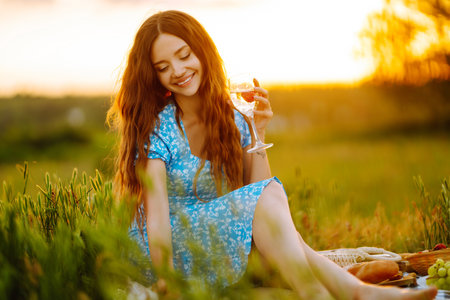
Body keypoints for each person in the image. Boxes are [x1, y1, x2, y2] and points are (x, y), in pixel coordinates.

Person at [107, 10, 437, 299]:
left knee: (276, 223)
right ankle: (332, 293)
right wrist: (167, 280)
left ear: (202, 52)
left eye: (184, 55)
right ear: (155, 75)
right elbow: (157, 214)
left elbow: (262, 200)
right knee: (281, 232)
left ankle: (353, 292)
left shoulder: (233, 118)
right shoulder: (157, 126)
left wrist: (257, 132)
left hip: (212, 239)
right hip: (166, 249)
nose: (178, 71)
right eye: (163, 66)